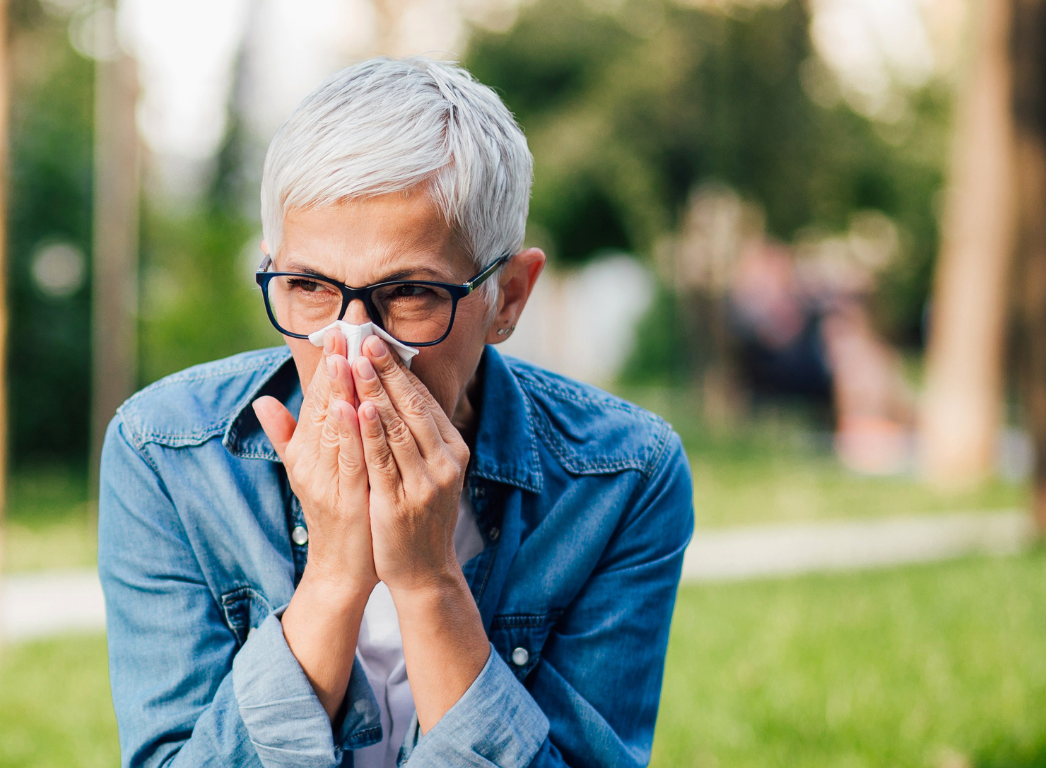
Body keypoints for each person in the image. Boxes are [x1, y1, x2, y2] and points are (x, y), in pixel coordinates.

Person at [98, 57, 694, 768]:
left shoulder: (623, 477)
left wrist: (428, 580)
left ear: (507, 298)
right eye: (309, 286)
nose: (352, 343)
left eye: (409, 292)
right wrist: (333, 580)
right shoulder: (165, 451)